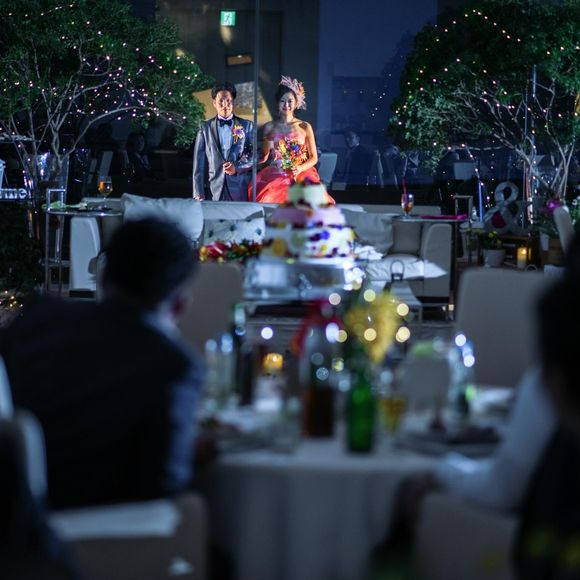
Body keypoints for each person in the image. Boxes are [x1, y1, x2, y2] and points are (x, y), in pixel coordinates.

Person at [0, 218, 204, 509]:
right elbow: (161, 486)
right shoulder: (175, 365)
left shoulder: (37, 319)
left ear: (103, 277)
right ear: (181, 304)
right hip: (86, 523)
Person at [248, 76, 335, 204]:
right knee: (271, 197)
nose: (286, 105)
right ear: (277, 103)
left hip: (301, 172)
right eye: (282, 101)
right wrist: (247, 161)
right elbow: (265, 156)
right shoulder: (269, 127)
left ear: (296, 103)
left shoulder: (304, 126)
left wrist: (300, 168)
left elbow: (314, 158)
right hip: (277, 173)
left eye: (290, 101)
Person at [192, 81, 254, 201]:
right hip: (213, 189)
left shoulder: (247, 126)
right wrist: (198, 191)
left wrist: (237, 167)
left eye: (228, 100)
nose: (225, 105)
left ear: (234, 102)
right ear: (214, 103)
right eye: (221, 101)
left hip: (239, 187)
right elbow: (199, 162)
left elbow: (254, 156)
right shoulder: (205, 127)